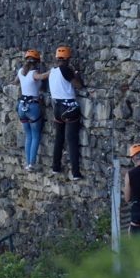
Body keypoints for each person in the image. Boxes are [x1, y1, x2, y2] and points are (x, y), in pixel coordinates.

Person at [47, 45, 84, 180]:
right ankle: (75, 173)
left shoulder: (52, 71)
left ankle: (55, 166)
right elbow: (78, 85)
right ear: (68, 59)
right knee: (72, 140)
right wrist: (76, 74)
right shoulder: (66, 70)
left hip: (57, 108)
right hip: (69, 107)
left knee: (59, 139)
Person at [15, 49, 48, 170]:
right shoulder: (34, 73)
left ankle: (27, 162)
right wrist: (53, 70)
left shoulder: (21, 72)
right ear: (37, 62)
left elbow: (15, 82)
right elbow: (42, 76)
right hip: (33, 106)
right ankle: (31, 164)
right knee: (35, 135)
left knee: (28, 135)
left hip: (21, 106)